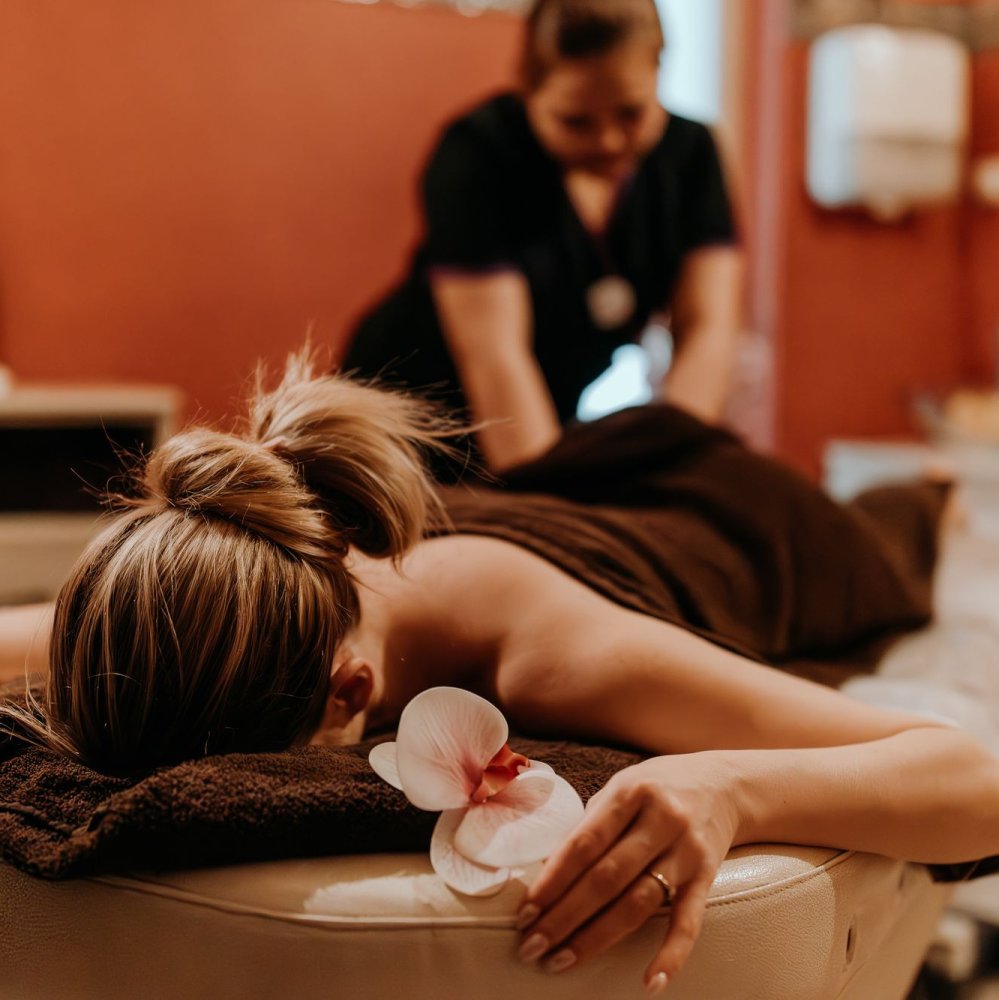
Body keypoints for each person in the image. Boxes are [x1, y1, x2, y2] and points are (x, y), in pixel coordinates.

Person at [2, 354, 998, 997]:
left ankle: (935, 493)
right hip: (538, 493)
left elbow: (975, 788)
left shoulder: (556, 653)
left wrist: (731, 783)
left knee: (893, 535)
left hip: (730, 521)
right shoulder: (192, 595)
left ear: (352, 693)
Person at [343, 0, 743, 475]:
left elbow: (708, 331)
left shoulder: (692, 156)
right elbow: (497, 358)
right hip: (404, 424)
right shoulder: (477, 153)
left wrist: (669, 466)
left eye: (631, 114)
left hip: (543, 422)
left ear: (659, 74)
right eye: (576, 121)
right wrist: (550, 503)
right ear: (529, 90)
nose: (610, 141)